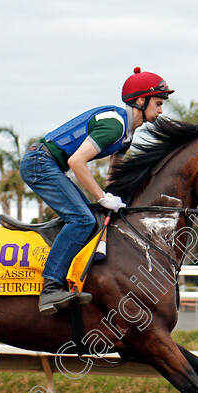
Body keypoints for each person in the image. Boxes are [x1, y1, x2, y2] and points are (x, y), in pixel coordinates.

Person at [19, 67, 174, 315]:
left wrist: (116, 199)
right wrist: (102, 197)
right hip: (40, 163)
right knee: (81, 218)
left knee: (90, 219)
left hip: (49, 165)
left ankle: (70, 280)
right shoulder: (115, 125)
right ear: (141, 100)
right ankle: (49, 288)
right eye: (158, 103)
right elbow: (77, 162)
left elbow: (115, 172)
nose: (161, 110)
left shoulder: (128, 134)